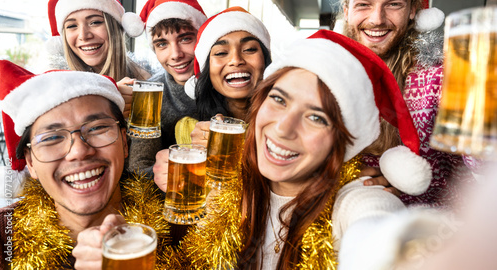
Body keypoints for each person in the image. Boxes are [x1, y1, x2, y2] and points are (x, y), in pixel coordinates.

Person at [156, 29, 433, 269]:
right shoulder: (231, 181)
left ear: (341, 141)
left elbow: (377, 228)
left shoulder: (355, 197)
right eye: (279, 99)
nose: (283, 128)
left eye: (316, 117)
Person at [0, 60, 168, 269]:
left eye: (97, 128)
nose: (78, 151)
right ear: (30, 162)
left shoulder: (178, 226)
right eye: (51, 138)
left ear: (124, 142)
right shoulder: (2, 238)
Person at [340, 0, 472, 207]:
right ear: (346, 12)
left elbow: (480, 167)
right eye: (363, 4)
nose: (377, 20)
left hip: (429, 229)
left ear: (413, 10)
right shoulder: (329, 70)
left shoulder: (442, 76)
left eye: (393, 4)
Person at [125, 0, 207, 175]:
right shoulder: (148, 95)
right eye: (162, 44)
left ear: (202, 39)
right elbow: (138, 168)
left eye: (185, 38)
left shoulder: (227, 85)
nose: (176, 54)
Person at [47, 0, 152, 116]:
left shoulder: (146, 81)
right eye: (72, 26)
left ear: (114, 28)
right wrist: (108, 101)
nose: (84, 35)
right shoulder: (53, 88)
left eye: (95, 22)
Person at [177, 6, 271, 147]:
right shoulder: (190, 127)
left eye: (249, 49)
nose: (236, 60)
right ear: (207, 70)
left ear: (266, 62)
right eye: (221, 53)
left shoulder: (284, 123)